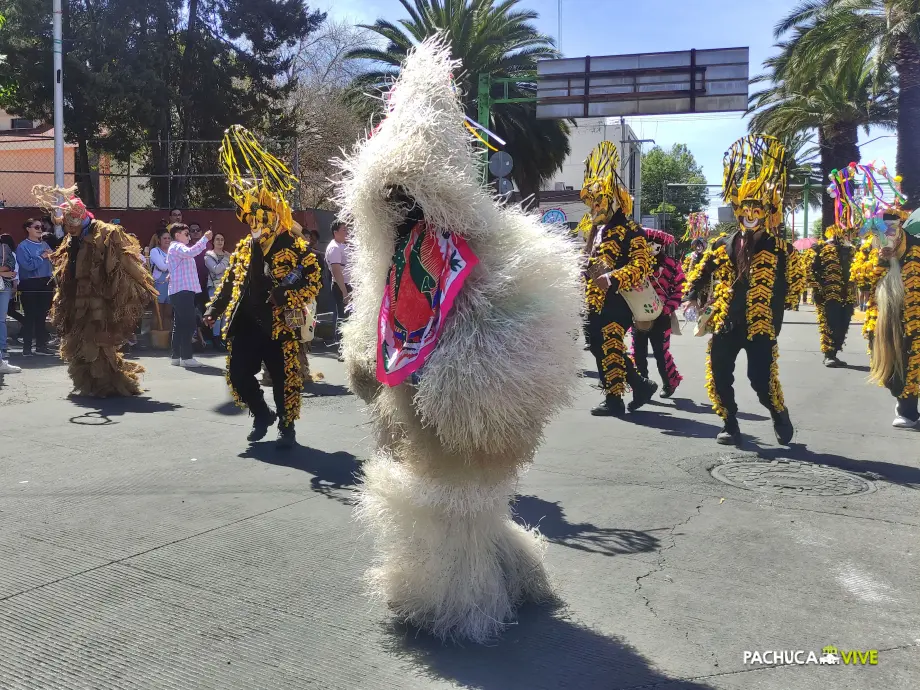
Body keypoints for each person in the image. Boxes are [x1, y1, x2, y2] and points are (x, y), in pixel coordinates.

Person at [335, 38, 584, 643]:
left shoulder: (494, 248)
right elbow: (379, 318)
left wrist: (471, 389)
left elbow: (525, 329)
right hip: (413, 397)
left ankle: (459, 606)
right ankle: (497, 580)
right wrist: (366, 360)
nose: (401, 203)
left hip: (461, 411)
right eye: (390, 194)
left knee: (460, 506)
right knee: (442, 505)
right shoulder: (390, 254)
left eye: (411, 190)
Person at [204, 126, 322, 449]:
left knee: (285, 380)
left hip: (279, 326)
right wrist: (213, 310)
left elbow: (314, 273)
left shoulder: (292, 244)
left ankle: (287, 426)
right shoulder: (245, 247)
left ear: (274, 216)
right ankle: (261, 413)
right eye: (252, 220)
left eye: (262, 218)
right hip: (247, 324)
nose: (257, 225)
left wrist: (286, 293)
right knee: (238, 376)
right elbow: (230, 281)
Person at [685, 135, 805, 446]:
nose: (750, 214)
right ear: (738, 209)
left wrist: (787, 300)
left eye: (757, 208)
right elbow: (701, 272)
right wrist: (691, 295)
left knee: (760, 379)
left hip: (761, 326)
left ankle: (778, 412)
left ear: (768, 211)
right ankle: (729, 422)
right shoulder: (722, 244)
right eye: (745, 208)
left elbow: (796, 279)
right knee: (719, 374)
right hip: (726, 321)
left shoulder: (782, 250)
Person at [31, 185, 156, 396]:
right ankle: (90, 382)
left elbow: (125, 264)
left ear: (81, 218)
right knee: (80, 340)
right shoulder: (73, 238)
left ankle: (105, 383)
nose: (69, 230)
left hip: (101, 299)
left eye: (73, 225)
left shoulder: (107, 232)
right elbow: (68, 266)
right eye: (68, 227)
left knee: (99, 340)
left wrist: (121, 295)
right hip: (78, 299)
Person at [581, 141, 658, 416]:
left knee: (611, 344)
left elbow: (641, 266)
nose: (593, 207)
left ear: (613, 201)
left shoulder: (631, 231)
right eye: (590, 202)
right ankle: (638, 383)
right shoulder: (596, 231)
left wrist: (613, 276)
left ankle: (615, 400)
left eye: (598, 201)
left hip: (619, 299)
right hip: (593, 299)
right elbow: (588, 263)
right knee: (596, 345)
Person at [846, 164, 920, 428]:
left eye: (893, 222)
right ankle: (901, 395)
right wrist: (880, 262)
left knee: (912, 356)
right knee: (883, 358)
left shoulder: (916, 246)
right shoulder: (870, 248)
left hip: (914, 316)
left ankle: (908, 409)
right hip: (881, 317)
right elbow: (859, 281)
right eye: (883, 222)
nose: (889, 228)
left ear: (901, 222)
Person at [629, 228, 685, 397]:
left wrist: (667, 308)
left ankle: (670, 383)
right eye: (647, 243)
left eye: (655, 244)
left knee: (661, 352)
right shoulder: (634, 265)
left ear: (661, 246)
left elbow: (679, 289)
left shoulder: (672, 264)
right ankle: (642, 385)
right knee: (638, 352)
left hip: (662, 316)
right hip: (638, 315)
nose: (651, 247)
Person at [806, 223, 856, 368]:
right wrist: (818, 289)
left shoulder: (851, 251)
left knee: (843, 324)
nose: (846, 236)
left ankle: (834, 352)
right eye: (844, 233)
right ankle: (828, 355)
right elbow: (809, 271)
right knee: (829, 323)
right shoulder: (819, 249)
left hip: (847, 295)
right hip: (827, 295)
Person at [166, 223, 210, 368]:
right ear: (177, 235)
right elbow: (192, 252)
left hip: (180, 291)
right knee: (189, 323)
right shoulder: (178, 247)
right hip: (182, 291)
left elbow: (177, 267)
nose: (188, 236)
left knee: (179, 324)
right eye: (186, 233)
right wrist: (204, 239)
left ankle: (176, 356)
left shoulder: (175, 249)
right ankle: (186, 357)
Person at [15, 218, 55, 357]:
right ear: (28, 229)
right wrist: (43, 257)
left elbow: (53, 261)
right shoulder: (22, 246)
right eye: (36, 227)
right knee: (30, 316)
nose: (40, 229)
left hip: (46, 282)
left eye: (41, 227)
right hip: (30, 283)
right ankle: (27, 348)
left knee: (42, 316)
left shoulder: (44, 244)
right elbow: (27, 265)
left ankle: (41, 346)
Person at [325, 221, 351, 356]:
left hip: (348, 285)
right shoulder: (334, 248)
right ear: (335, 232)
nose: (346, 232)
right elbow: (336, 271)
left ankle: (349, 348)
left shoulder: (343, 245)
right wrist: (345, 293)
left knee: (348, 318)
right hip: (341, 286)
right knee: (343, 318)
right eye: (343, 230)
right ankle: (342, 350)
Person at [0, 233, 22, 373]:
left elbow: (10, 265)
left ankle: (2, 351)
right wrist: (3, 273)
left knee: (1, 319)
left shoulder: (4, 247)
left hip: (4, 286)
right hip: (4, 281)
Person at [205, 231, 231, 348]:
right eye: (217, 239)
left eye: (222, 239)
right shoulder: (208, 256)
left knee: (226, 313)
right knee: (216, 312)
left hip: (227, 286)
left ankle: (223, 337)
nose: (220, 242)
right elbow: (216, 270)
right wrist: (226, 259)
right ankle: (215, 337)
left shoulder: (228, 255)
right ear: (213, 241)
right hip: (214, 287)